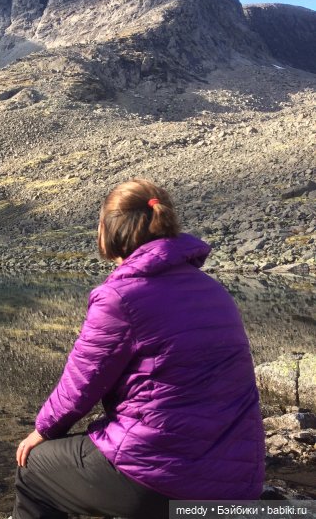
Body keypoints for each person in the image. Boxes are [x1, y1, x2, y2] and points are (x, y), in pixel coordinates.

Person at [14, 178, 265, 519]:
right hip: (237, 484)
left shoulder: (120, 297)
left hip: (165, 482)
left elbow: (80, 386)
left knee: (34, 471)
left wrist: (43, 431)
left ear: (108, 230)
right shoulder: (213, 289)